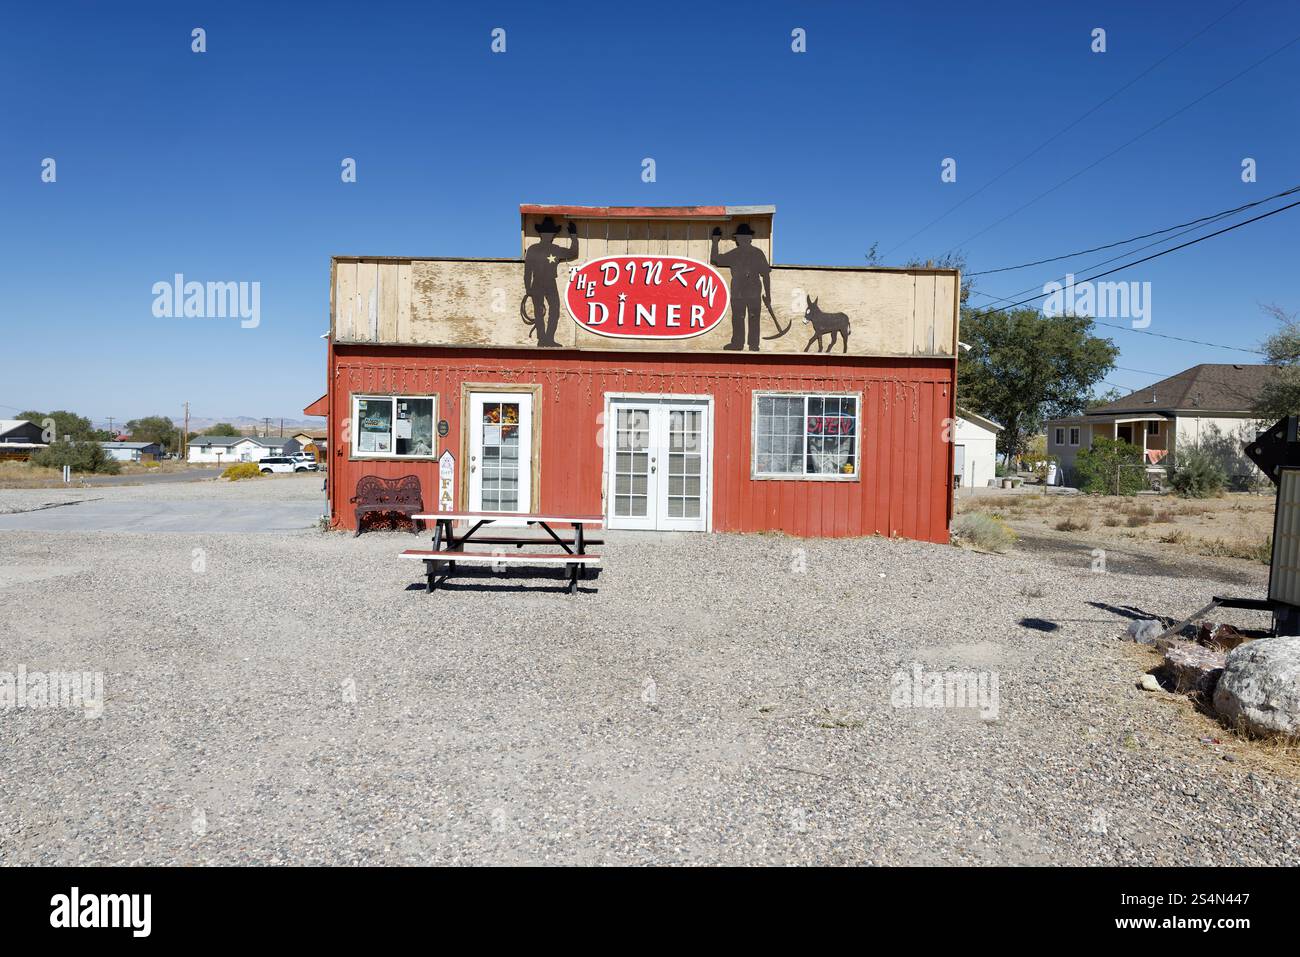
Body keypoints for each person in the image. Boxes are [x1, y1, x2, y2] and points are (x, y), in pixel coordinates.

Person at [710, 223, 772, 351]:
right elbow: (765, 275)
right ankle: (750, 344)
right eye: (740, 238)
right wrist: (768, 296)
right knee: (747, 318)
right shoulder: (754, 253)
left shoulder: (747, 253)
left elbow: (715, 259)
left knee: (742, 317)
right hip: (745, 292)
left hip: (744, 292)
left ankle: (743, 343)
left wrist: (715, 242)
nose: (740, 240)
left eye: (741, 237)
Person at [522, 216, 579, 347]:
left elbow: (527, 271)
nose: (549, 235)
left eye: (550, 233)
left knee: (547, 310)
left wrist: (528, 288)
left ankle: (546, 339)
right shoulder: (549, 249)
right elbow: (573, 252)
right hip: (544, 282)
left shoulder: (535, 249)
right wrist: (574, 236)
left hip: (544, 282)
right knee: (546, 310)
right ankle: (544, 339)